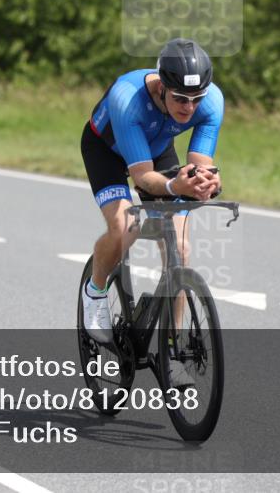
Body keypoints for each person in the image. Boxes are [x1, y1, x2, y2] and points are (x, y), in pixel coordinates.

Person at [80, 38, 223, 358]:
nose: (189, 108)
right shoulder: (127, 98)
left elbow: (201, 163)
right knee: (125, 227)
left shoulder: (212, 101)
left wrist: (208, 181)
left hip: (157, 152)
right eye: (181, 99)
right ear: (161, 88)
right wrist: (176, 188)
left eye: (196, 99)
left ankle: (175, 344)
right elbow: (143, 178)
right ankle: (95, 291)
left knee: (181, 248)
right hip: (107, 151)